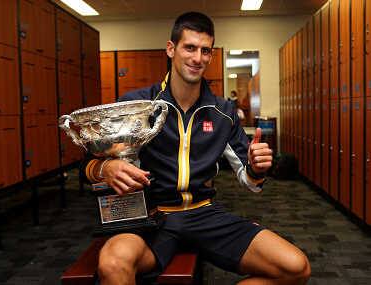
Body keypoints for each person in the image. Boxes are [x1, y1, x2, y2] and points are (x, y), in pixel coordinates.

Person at [82, 12, 311, 285]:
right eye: (189, 48)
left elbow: (250, 182)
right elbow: (88, 166)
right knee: (112, 264)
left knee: (296, 267)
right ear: (171, 49)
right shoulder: (138, 105)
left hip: (204, 214)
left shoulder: (223, 112)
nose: (197, 58)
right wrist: (107, 167)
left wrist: (256, 167)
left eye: (206, 51)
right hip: (152, 217)